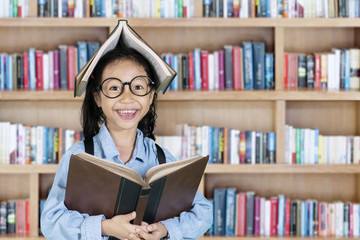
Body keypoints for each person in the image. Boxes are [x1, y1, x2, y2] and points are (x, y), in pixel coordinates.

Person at [40, 44, 213, 240]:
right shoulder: (78, 157)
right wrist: (104, 227)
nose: (127, 98)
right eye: (114, 87)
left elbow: (203, 212)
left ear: (150, 96)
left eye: (138, 87)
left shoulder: (162, 158)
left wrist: (166, 230)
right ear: (97, 97)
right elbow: (51, 222)